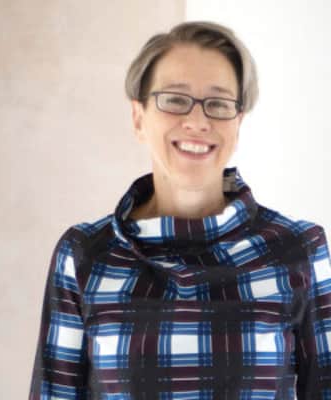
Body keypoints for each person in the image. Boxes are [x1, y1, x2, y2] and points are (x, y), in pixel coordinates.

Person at [29, 21, 331, 399]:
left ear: (238, 124)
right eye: (174, 99)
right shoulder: (84, 254)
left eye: (218, 104)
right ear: (138, 118)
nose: (197, 122)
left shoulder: (299, 250)